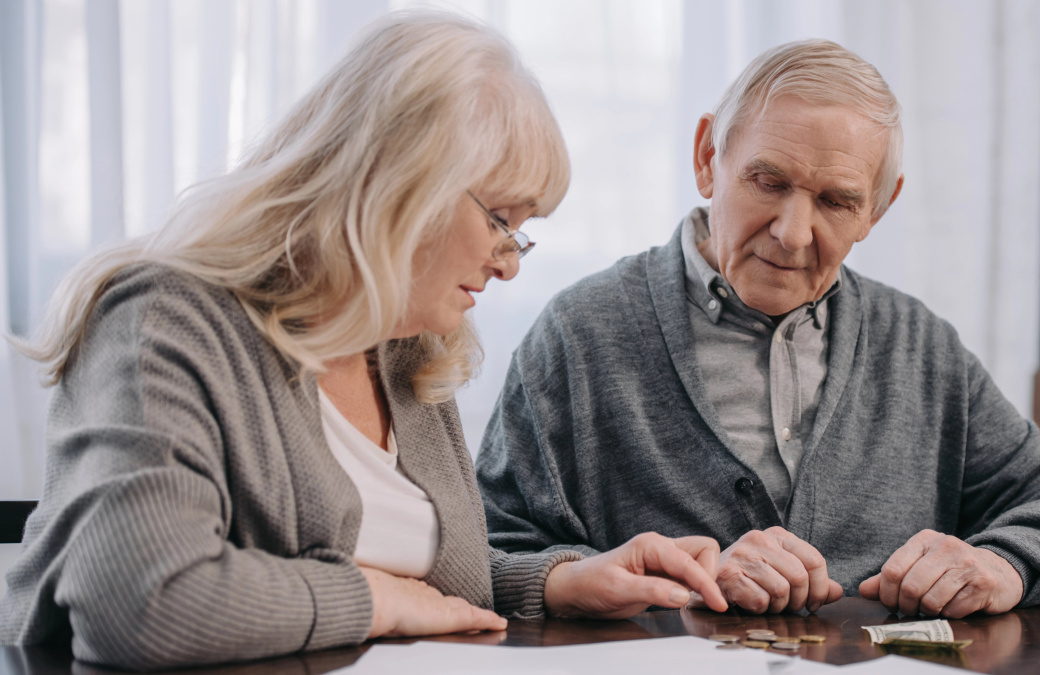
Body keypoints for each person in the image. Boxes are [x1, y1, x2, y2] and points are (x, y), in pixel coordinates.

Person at [0, 12, 728, 670]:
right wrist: (372, 599)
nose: (510, 259)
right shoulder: (162, 319)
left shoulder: (406, 349)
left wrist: (559, 579)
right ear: (400, 184)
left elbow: (435, 585)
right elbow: (140, 605)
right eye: (502, 218)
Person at [476, 38, 1040, 619]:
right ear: (707, 157)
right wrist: (622, 575)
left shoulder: (920, 345)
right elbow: (483, 550)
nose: (792, 232)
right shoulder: (579, 333)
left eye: (836, 200)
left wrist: (1000, 564)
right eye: (768, 180)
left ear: (878, 207)